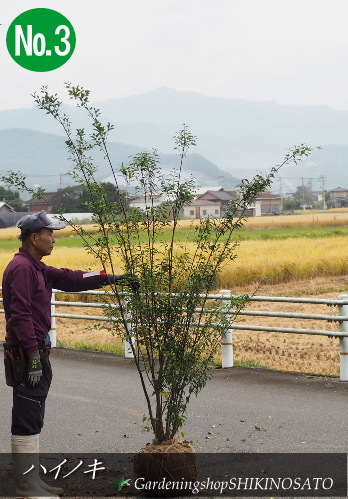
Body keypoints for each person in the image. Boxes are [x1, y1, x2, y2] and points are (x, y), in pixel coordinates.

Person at [2, 211, 135, 499]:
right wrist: (34, 355)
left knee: (33, 414)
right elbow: (20, 315)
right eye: (50, 234)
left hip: (33, 350)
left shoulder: (36, 267)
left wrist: (111, 278)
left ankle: (32, 480)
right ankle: (25, 486)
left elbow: (71, 278)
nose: (53, 240)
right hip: (27, 353)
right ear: (34, 238)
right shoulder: (23, 269)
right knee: (26, 414)